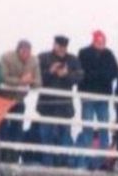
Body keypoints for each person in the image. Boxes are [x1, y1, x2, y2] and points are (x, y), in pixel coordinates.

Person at [35, 36, 83, 167]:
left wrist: (66, 74)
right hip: (47, 105)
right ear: (54, 45)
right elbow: (36, 78)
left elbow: (79, 78)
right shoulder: (43, 57)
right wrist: (50, 72)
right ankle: (47, 164)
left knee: (65, 137)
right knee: (46, 136)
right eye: (60, 46)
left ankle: (63, 164)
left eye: (64, 47)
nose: (62, 49)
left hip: (64, 106)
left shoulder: (72, 59)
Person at [76, 30, 118, 170]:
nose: (101, 44)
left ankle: (103, 162)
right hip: (88, 95)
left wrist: (98, 75)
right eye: (99, 41)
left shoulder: (109, 54)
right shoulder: (84, 53)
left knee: (104, 128)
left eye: (103, 42)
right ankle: (85, 161)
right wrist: (101, 75)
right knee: (87, 128)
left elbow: (115, 72)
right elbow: (83, 73)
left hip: (103, 96)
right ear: (94, 41)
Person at [0, 40, 41, 162]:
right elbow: (2, 77)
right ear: (18, 50)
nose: (26, 54)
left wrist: (31, 81)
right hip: (3, 99)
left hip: (19, 100)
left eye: (28, 51)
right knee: (3, 129)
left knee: (17, 129)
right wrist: (20, 81)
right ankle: (2, 156)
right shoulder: (6, 57)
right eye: (24, 51)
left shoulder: (34, 61)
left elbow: (38, 83)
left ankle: (13, 157)